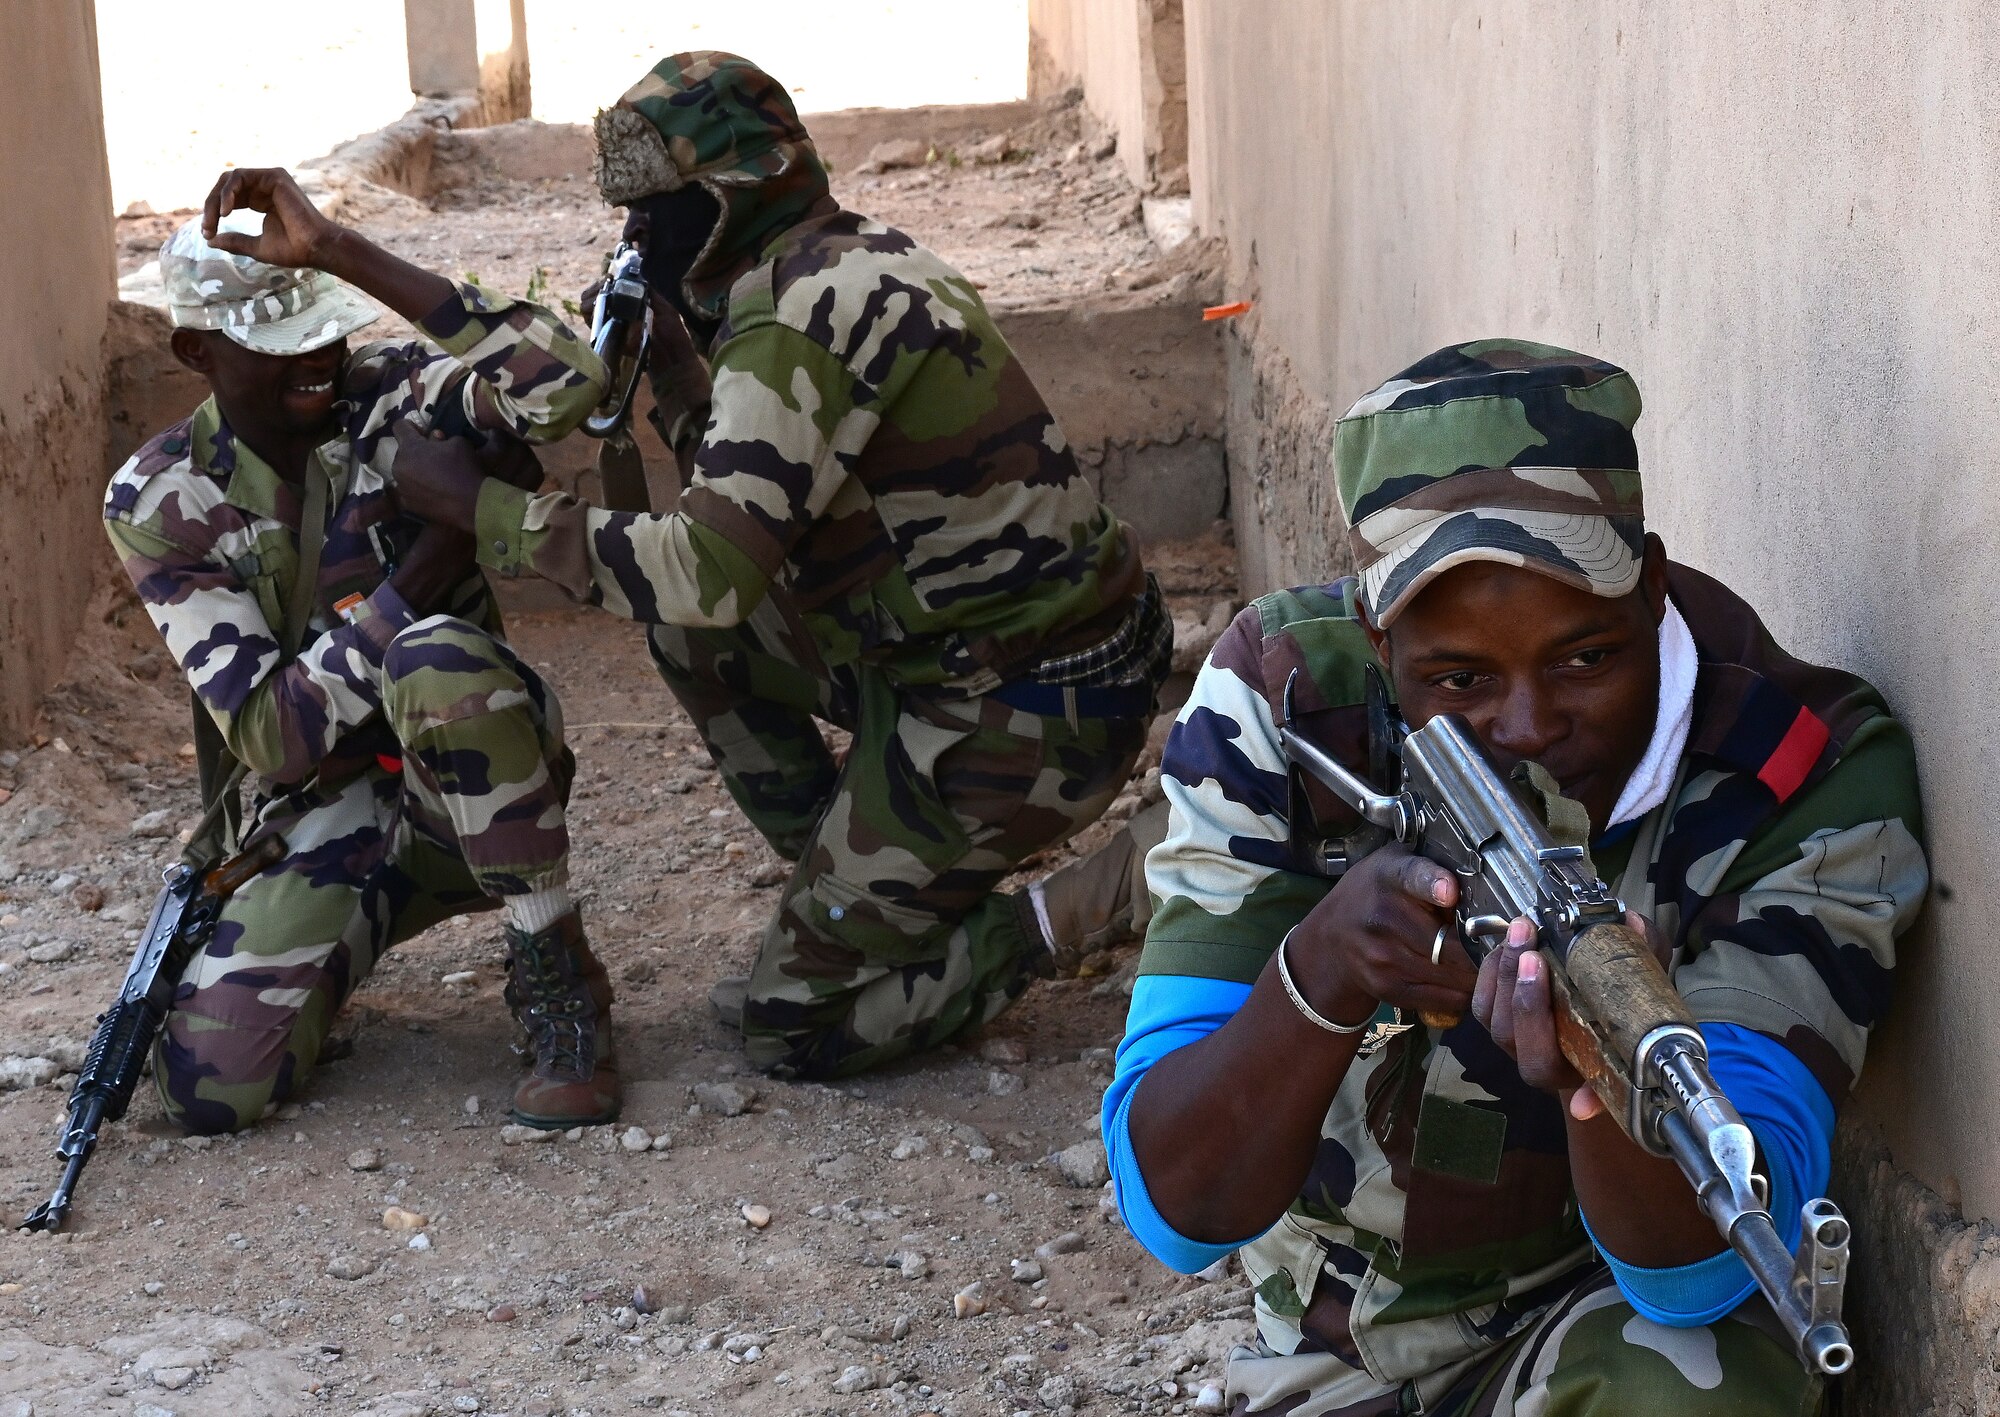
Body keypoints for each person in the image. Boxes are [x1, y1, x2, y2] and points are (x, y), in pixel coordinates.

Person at [1102, 341, 1928, 1415]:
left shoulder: (1801, 773)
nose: (1531, 726)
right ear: (1375, 636)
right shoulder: (1282, 701)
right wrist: (1322, 971)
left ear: (1652, 585)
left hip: (1603, 1322)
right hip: (1337, 1352)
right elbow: (1176, 1206)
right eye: (1459, 679)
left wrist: (1593, 1080)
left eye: (1586, 657)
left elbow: (1701, 1273)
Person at [393, 51, 1169, 1079]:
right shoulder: (830, 263)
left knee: (791, 1026)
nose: (631, 234)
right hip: (972, 659)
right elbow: (774, 492)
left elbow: (708, 568)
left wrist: (484, 510)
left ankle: (1095, 896)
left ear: (725, 201)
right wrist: (674, 372)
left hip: (1026, 707)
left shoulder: (797, 320)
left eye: (653, 209)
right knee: (692, 638)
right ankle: (859, 891)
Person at [102, 169, 620, 1134]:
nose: (318, 356)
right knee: (210, 1091)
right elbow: (275, 738)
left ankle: (559, 988)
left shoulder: (389, 398)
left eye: (323, 325)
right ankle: (348, 934)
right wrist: (439, 550)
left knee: (432, 659)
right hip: (325, 805)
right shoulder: (159, 498)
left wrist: (344, 250)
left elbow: (569, 389)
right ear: (196, 351)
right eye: (276, 341)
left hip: (473, 781)